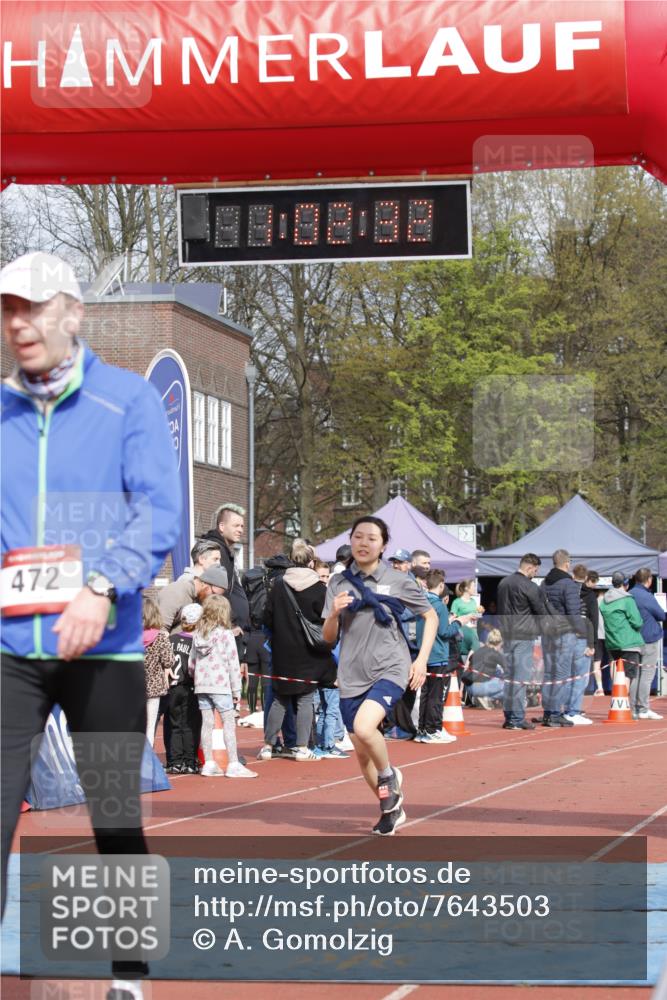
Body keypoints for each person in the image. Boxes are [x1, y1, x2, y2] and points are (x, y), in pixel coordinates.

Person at [1, 251, 181, 1000]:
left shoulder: (125, 400)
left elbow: (159, 512)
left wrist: (101, 586)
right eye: (9, 309)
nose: (19, 323)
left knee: (113, 814)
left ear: (73, 314)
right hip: (12, 648)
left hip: (105, 647)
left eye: (34, 307)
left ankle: (130, 971)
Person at [322, 516, 438, 835]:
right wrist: (334, 614)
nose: (363, 543)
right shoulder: (338, 582)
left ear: (383, 545)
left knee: (364, 727)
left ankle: (388, 775)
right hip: (351, 672)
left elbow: (430, 617)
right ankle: (391, 809)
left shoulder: (398, 580)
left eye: (372, 538)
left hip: (390, 666)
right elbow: (328, 637)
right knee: (362, 756)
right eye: (358, 536)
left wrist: (421, 660)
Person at [259, 540, 336, 762]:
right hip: (308, 650)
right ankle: (302, 747)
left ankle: (268, 745)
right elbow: (327, 619)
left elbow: (267, 618)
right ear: (311, 562)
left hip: (282, 649)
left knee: (280, 698)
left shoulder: (279, 586)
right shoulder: (320, 589)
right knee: (305, 698)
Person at [189, 595, 257, 777]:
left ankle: (209, 762)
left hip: (202, 685)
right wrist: (236, 690)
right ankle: (233, 763)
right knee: (228, 722)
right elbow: (233, 664)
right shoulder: (226, 635)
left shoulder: (198, 634)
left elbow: (191, 663)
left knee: (207, 723)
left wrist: (196, 678)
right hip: (220, 685)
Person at [414, 569, 470, 743]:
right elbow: (445, 632)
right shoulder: (439, 606)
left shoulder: (421, 602)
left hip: (424, 654)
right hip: (437, 654)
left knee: (426, 694)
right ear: (441, 585)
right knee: (436, 695)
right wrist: (459, 622)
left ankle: (423, 729)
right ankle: (433, 730)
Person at [496, 553, 545, 731]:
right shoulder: (530, 586)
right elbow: (540, 611)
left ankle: (510, 717)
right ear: (530, 567)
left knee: (509, 678)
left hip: (507, 634)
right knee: (520, 678)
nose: (535, 574)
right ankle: (516, 718)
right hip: (523, 635)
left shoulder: (503, 583)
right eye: (535, 571)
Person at [540, 549, 587, 728]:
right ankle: (555, 713)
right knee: (561, 674)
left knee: (549, 673)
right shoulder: (568, 584)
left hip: (547, 631)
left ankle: (547, 712)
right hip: (564, 632)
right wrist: (580, 630)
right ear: (567, 564)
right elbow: (574, 611)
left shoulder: (544, 583)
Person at [201, 503, 252, 660]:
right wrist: (231, 622)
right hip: (225, 629)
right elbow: (218, 590)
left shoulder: (224, 550)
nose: (241, 530)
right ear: (222, 526)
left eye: (242, 526)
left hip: (231, 629)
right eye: (236, 525)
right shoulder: (216, 551)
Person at [599, 572, 645, 718]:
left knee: (616, 672)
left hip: (612, 641)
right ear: (625, 584)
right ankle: (622, 704)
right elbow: (637, 621)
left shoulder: (604, 600)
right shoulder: (627, 600)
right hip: (628, 642)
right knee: (628, 674)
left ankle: (617, 701)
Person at [166, 603, 203, 774]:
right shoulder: (197, 641)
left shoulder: (171, 639)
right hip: (189, 686)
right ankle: (189, 761)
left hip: (172, 687)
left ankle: (175, 761)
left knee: (175, 725)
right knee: (190, 725)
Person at [157, 538, 221, 630]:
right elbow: (162, 627)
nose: (219, 564)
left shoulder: (203, 583)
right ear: (201, 559)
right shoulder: (185, 583)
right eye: (215, 559)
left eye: (219, 559)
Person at [560, 564, 596, 725]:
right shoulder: (589, 595)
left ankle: (566, 709)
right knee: (580, 677)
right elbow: (593, 619)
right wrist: (592, 643)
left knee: (567, 676)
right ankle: (573, 711)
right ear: (586, 577)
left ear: (572, 575)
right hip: (582, 636)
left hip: (566, 635)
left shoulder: (565, 590)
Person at [629, 568, 665, 720]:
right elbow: (661, 614)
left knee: (635, 675)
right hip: (648, 638)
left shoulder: (629, 594)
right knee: (646, 674)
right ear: (649, 580)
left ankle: (633, 708)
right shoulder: (646, 596)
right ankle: (643, 708)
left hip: (633, 638)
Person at [141, 597, 171, 746]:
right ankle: (147, 755)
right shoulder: (160, 637)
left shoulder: (132, 636)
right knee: (150, 725)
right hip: (154, 687)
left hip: (134, 686)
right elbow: (168, 661)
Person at [462, 628, 507, 709]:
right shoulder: (495, 653)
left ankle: (480, 697)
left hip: (469, 688)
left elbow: (470, 658)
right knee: (509, 687)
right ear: (499, 643)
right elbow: (508, 669)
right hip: (481, 687)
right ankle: (487, 698)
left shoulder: (479, 650)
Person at [585, 571, 606, 695]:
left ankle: (600, 688)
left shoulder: (593, 599)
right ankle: (616, 687)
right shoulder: (611, 601)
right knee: (614, 662)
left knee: (596, 663)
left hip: (596, 634)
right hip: (609, 634)